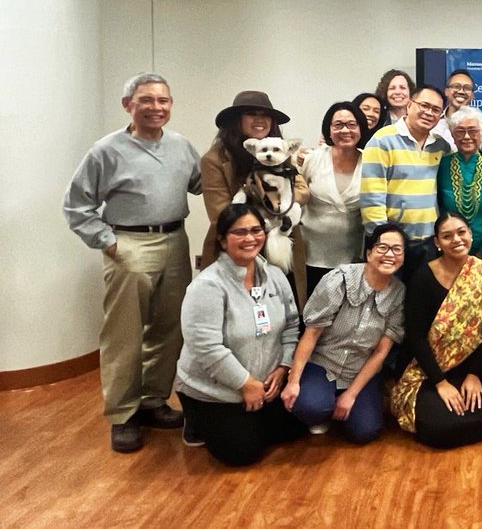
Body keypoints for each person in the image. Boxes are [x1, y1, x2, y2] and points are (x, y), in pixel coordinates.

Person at [63, 72, 199, 453]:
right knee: (124, 334)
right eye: (146, 100)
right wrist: (108, 243)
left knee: (169, 328)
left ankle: (154, 401)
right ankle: (123, 414)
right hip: (129, 243)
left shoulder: (182, 146)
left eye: (163, 101)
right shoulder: (106, 150)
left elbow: (206, 183)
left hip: (176, 239)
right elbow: (76, 206)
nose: (156, 107)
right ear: (129, 105)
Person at [176, 204, 306, 466]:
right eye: (240, 232)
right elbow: (207, 348)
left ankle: (247, 419)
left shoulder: (276, 276)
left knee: (299, 427)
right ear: (223, 240)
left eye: (256, 230)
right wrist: (245, 384)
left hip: (266, 384)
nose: (250, 238)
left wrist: (283, 367)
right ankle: (197, 418)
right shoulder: (207, 286)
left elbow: (292, 325)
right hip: (214, 389)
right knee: (242, 453)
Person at [281, 224, 406, 445]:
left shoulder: (399, 293)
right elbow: (311, 333)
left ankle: (343, 404)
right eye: (383, 247)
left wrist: (351, 394)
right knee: (309, 405)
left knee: (365, 432)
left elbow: (380, 352)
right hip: (323, 363)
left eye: (397, 249)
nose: (389, 254)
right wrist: (293, 380)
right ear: (369, 253)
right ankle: (325, 407)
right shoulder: (340, 279)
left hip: (360, 369)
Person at [389, 213, 482, 448]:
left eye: (462, 232)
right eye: (447, 236)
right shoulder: (423, 277)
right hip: (426, 369)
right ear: (437, 242)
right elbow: (416, 336)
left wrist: (474, 374)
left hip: (466, 367)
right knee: (439, 426)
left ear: (471, 234)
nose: (456, 240)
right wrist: (440, 383)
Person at [201, 90, 310, 305]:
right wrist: (266, 201)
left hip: (282, 245)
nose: (260, 119)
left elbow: (303, 190)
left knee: (286, 314)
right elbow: (221, 213)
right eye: (252, 113)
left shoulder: (280, 153)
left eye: (266, 115)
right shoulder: (214, 159)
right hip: (240, 249)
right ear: (236, 120)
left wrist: (278, 204)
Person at [361, 85, 452, 281]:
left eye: (435, 110)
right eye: (424, 105)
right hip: (393, 244)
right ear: (410, 105)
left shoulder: (440, 145)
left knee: (420, 306)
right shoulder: (383, 140)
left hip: (428, 242)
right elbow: (371, 198)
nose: (429, 113)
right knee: (389, 304)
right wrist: (382, 243)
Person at [301, 102, 367, 299]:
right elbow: (296, 195)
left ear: (361, 129)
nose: (345, 130)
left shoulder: (370, 162)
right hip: (309, 254)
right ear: (328, 130)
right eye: (338, 125)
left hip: (351, 258)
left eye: (351, 125)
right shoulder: (312, 159)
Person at [437, 105, 482, 262]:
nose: (467, 136)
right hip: (449, 248)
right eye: (460, 131)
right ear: (452, 135)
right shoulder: (442, 165)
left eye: (473, 131)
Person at [432, 68, 475, 147]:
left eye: (467, 88)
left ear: (472, 95)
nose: (461, 91)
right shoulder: (433, 122)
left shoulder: (478, 126)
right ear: (446, 91)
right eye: (456, 86)